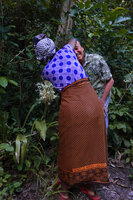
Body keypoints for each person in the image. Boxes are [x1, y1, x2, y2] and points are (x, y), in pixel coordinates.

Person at [34, 34, 109, 200]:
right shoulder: (67, 51)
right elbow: (74, 39)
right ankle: (89, 187)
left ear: (41, 57)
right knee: (91, 145)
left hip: (73, 107)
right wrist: (74, 49)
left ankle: (65, 188)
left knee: (70, 147)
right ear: (54, 47)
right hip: (92, 102)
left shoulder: (45, 72)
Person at [73, 40, 114, 130]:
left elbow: (110, 80)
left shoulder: (96, 59)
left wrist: (102, 102)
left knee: (100, 118)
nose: (76, 52)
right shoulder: (74, 67)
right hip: (88, 98)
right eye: (73, 51)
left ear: (82, 48)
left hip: (102, 94)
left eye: (77, 48)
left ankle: (102, 141)